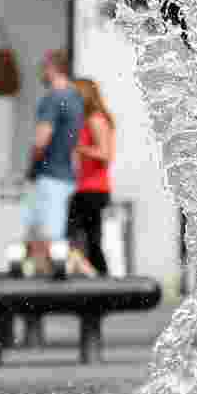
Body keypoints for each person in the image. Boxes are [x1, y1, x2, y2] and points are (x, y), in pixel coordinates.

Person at [22, 50, 84, 270]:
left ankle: (44, 286)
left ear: (52, 68)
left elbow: (42, 138)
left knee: (42, 234)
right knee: (56, 233)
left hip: (48, 174)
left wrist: (30, 168)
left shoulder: (52, 99)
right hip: (68, 175)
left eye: (43, 67)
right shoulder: (76, 98)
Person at [67, 78, 115, 276]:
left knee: (77, 237)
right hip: (86, 188)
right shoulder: (88, 120)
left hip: (93, 189)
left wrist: (79, 148)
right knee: (89, 239)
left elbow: (105, 155)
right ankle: (97, 276)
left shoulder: (96, 119)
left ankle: (98, 277)